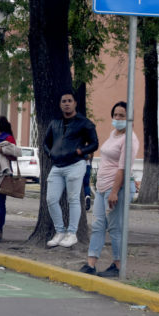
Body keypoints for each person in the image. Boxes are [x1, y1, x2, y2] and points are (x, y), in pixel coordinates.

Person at [80, 101, 138, 277]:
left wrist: (114, 192)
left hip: (117, 188)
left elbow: (122, 168)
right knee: (98, 225)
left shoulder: (130, 139)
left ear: (129, 118)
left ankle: (118, 265)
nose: (117, 118)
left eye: (122, 115)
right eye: (115, 115)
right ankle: (91, 263)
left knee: (114, 227)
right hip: (102, 187)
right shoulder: (114, 134)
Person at [43, 90, 99, 248]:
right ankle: (60, 231)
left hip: (75, 164)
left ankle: (72, 233)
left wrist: (82, 151)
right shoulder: (55, 123)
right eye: (64, 101)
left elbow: (94, 143)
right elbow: (46, 142)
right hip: (57, 166)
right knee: (51, 199)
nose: (66, 103)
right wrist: (50, 153)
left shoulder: (84, 123)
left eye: (69, 101)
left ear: (75, 103)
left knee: (73, 199)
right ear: (60, 105)